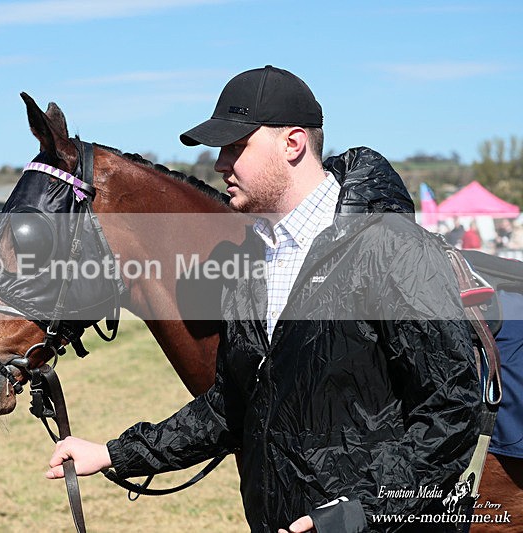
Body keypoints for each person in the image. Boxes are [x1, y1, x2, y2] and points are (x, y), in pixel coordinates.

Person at [45, 66, 480, 532]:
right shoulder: (252, 260)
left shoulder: (390, 248)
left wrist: (358, 514)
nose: (218, 165)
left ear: (292, 144)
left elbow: (452, 408)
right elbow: (234, 404)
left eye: (235, 147)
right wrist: (114, 453)